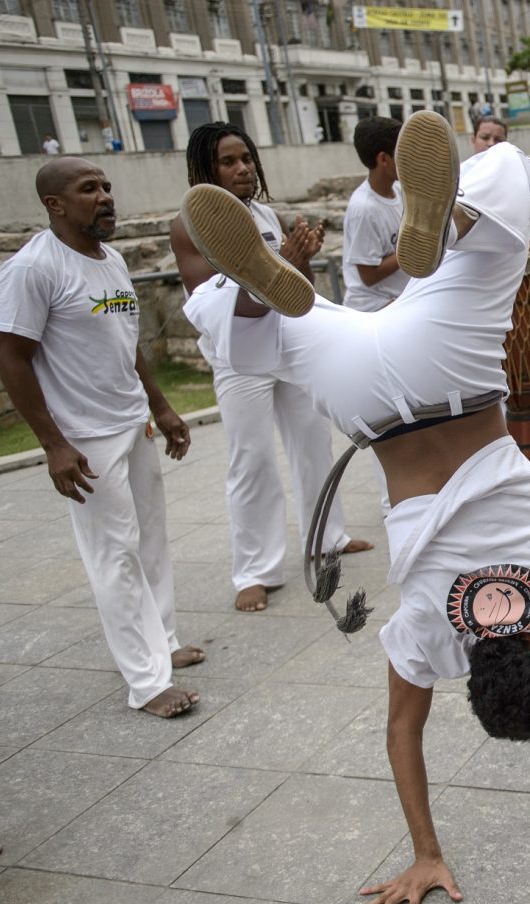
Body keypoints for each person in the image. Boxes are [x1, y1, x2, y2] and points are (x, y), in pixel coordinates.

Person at [178, 112, 530, 904]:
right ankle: (259, 293)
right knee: (288, 339)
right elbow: (402, 731)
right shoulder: (435, 632)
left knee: (500, 245)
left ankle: (446, 218)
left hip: (449, 368)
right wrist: (426, 850)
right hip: (366, 403)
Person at [0, 158, 204, 718]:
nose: (105, 197)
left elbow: (124, 339)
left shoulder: (108, 258)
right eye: (89, 189)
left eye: (107, 187)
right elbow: (12, 355)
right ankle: (146, 681)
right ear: (54, 204)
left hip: (131, 423)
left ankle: (163, 641)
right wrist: (54, 444)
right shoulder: (32, 269)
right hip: (84, 438)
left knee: (151, 540)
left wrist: (160, 405)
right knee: (114, 554)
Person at [169, 122, 372, 612]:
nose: (243, 169)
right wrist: (280, 260)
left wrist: (299, 258)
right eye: (228, 161)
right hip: (239, 359)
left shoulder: (265, 214)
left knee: (313, 443)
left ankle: (328, 537)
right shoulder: (187, 224)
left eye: (247, 158)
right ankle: (255, 571)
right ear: (205, 169)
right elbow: (210, 301)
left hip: (285, 346)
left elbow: (288, 289)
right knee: (252, 459)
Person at [466, 115, 530, 256]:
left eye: (498, 140)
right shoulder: (460, 179)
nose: (491, 143)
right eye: (485, 137)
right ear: (473, 140)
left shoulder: (520, 182)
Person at [342, 116, 407, 311]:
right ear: (384, 159)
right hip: (375, 310)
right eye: (402, 153)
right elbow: (368, 276)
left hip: (399, 302)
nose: (408, 158)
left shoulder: (400, 190)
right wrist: (413, 249)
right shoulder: (364, 209)